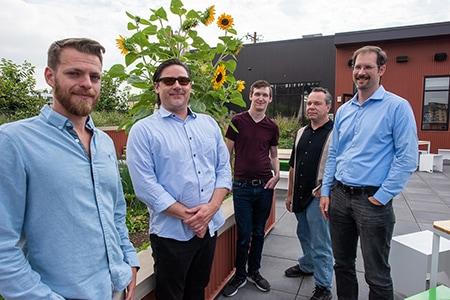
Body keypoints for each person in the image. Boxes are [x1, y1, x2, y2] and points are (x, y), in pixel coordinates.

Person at [0, 38, 139, 300]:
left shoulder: (105, 144)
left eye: (94, 76)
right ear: (50, 76)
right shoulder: (14, 142)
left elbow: (116, 212)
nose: (87, 83)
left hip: (117, 290)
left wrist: (129, 260)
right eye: (74, 73)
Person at [126, 58, 232, 300]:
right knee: (171, 295)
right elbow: (145, 186)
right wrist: (191, 218)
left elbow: (223, 170)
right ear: (156, 87)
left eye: (183, 80)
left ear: (190, 86)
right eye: (169, 80)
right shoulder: (143, 131)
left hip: (209, 230)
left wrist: (210, 210)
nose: (177, 85)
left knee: (198, 289)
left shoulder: (208, 124)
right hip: (171, 235)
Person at [320, 45, 418, 300]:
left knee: (377, 275)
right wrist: (326, 191)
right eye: (357, 67)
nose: (361, 72)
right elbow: (335, 154)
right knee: (342, 265)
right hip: (340, 197)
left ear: (381, 69)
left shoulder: (397, 107)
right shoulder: (344, 111)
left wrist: (383, 195)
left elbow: (407, 158)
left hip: (372, 201)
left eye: (368, 67)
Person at [222, 80, 280, 297]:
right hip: (242, 188)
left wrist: (277, 176)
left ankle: (254, 271)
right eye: (257, 94)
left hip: (265, 186)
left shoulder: (271, 126)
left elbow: (273, 154)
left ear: (270, 99)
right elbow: (226, 153)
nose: (261, 98)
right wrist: (226, 180)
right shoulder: (237, 121)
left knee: (258, 233)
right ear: (250, 96)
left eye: (265, 95)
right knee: (244, 234)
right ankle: (240, 274)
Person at [284, 87, 334, 300]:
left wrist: (329, 195)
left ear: (328, 107)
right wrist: (289, 193)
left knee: (321, 242)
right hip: (299, 195)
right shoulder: (301, 132)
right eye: (309, 103)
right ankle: (307, 265)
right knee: (303, 233)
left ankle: (324, 286)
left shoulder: (336, 133)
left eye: (317, 103)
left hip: (318, 196)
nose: (311, 107)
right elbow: (293, 165)